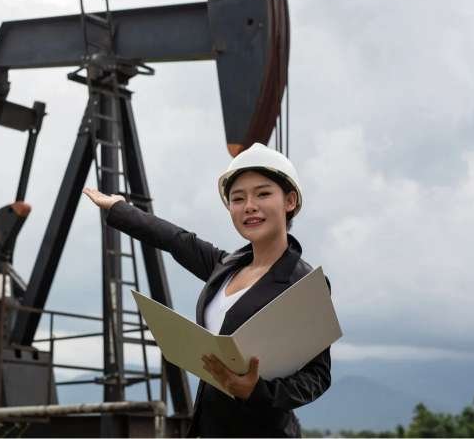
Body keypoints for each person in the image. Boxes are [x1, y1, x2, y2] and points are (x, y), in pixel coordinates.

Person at [82, 142, 331, 437]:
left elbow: (318, 375)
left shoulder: (302, 283)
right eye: (238, 198)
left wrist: (257, 390)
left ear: (290, 201)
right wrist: (121, 209)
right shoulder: (226, 266)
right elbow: (177, 241)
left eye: (263, 193)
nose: (249, 205)